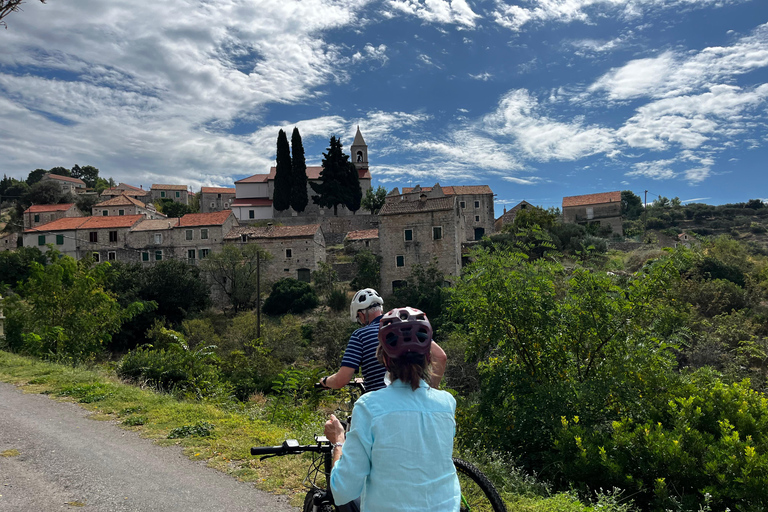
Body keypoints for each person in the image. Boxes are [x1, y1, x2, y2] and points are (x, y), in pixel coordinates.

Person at [324, 307, 461, 511]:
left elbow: (343, 490)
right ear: (427, 357)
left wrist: (338, 442)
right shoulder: (446, 403)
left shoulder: (369, 407)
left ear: (385, 360)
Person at [319, 289, 447, 392]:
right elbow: (441, 357)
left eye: (359, 318)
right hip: (416, 398)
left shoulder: (360, 335)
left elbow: (342, 379)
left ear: (362, 314)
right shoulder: (405, 327)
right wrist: (431, 390)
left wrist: (326, 381)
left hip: (378, 407)